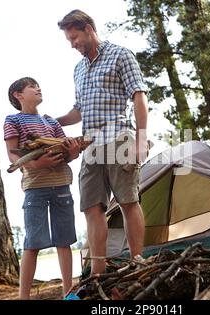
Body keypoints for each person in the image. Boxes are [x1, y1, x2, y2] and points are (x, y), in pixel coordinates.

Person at [56, 10, 149, 275]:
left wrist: (141, 139)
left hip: (119, 138)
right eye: (69, 40)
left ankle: (138, 260)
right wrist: (54, 122)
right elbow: (78, 111)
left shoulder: (121, 55)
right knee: (91, 207)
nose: (72, 44)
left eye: (74, 38)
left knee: (128, 200)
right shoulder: (79, 69)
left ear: (88, 29)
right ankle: (98, 270)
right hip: (90, 147)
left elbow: (139, 97)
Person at [3, 77, 80, 299]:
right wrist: (38, 163)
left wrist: (73, 153)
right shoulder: (12, 120)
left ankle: (69, 293)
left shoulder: (51, 123)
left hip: (62, 184)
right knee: (33, 242)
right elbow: (13, 154)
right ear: (18, 95)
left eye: (38, 86)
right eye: (32, 87)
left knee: (64, 240)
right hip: (35, 187)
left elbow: (67, 153)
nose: (38, 89)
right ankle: (23, 297)